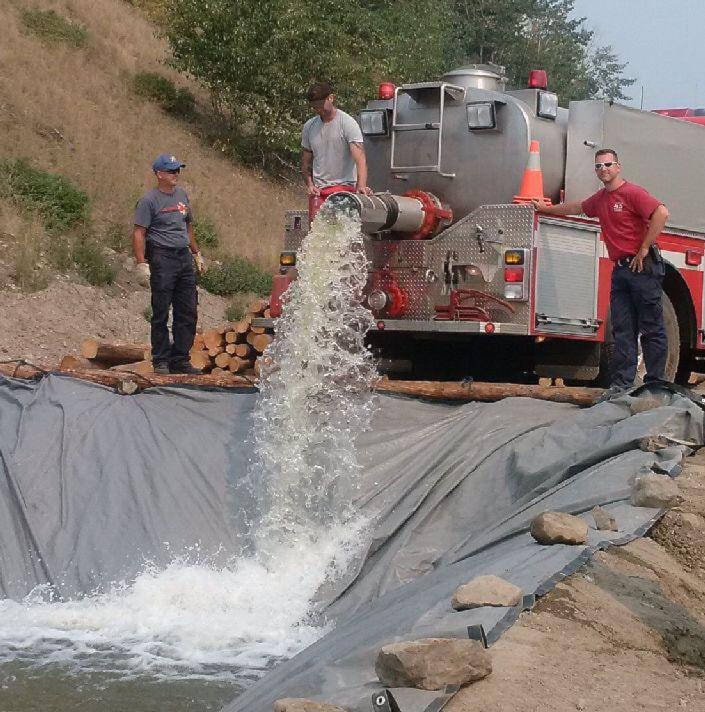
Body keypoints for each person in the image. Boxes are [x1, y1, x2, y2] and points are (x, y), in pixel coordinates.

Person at [533, 148, 670, 400]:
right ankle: (622, 385)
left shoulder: (632, 193)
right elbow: (577, 207)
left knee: (652, 328)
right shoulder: (600, 199)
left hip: (642, 268)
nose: (603, 169)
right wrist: (545, 209)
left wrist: (644, 247)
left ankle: (656, 384)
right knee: (623, 329)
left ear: (618, 167)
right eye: (598, 166)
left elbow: (661, 212)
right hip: (621, 270)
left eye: (608, 164)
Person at [133, 153, 206, 375]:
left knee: (188, 310)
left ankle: (181, 359)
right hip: (162, 256)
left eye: (178, 170)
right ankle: (161, 359)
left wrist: (196, 253)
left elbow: (188, 226)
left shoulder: (182, 196)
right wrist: (141, 262)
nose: (176, 175)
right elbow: (139, 233)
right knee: (161, 310)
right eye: (172, 171)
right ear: (159, 174)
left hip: (183, 256)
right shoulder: (149, 201)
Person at [301, 82, 373, 216]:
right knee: (317, 232)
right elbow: (305, 163)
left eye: (321, 104)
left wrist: (361, 186)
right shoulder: (309, 127)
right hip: (319, 192)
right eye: (314, 106)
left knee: (341, 232)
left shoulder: (347, 123)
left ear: (331, 98)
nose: (318, 109)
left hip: (344, 189)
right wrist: (310, 185)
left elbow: (360, 160)